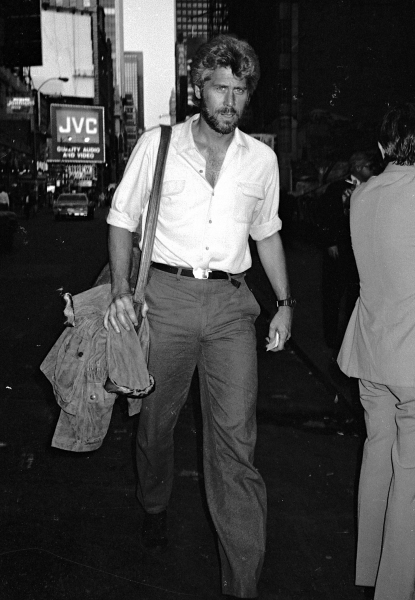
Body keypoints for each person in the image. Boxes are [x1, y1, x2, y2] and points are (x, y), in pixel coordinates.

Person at [104, 34, 294, 599]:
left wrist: (285, 303)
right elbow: (121, 218)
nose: (230, 100)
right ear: (198, 89)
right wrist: (120, 289)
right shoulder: (159, 144)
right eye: (220, 88)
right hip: (165, 297)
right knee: (155, 427)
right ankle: (155, 500)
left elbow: (267, 232)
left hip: (232, 307)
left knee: (235, 442)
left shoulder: (261, 160)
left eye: (240, 90)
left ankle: (243, 585)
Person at [337, 103, 415, 600]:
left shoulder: (361, 196)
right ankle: (395, 589)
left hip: (370, 351)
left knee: (376, 455)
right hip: (412, 358)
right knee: (410, 473)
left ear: (385, 148)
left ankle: (368, 573)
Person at [317, 152, 377, 353]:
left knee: (354, 297)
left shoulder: (371, 188)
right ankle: (331, 338)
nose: (372, 170)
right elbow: (324, 216)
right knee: (333, 296)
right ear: (358, 168)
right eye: (368, 166)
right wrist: (330, 242)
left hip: (356, 253)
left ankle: (350, 339)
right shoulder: (337, 188)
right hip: (337, 251)